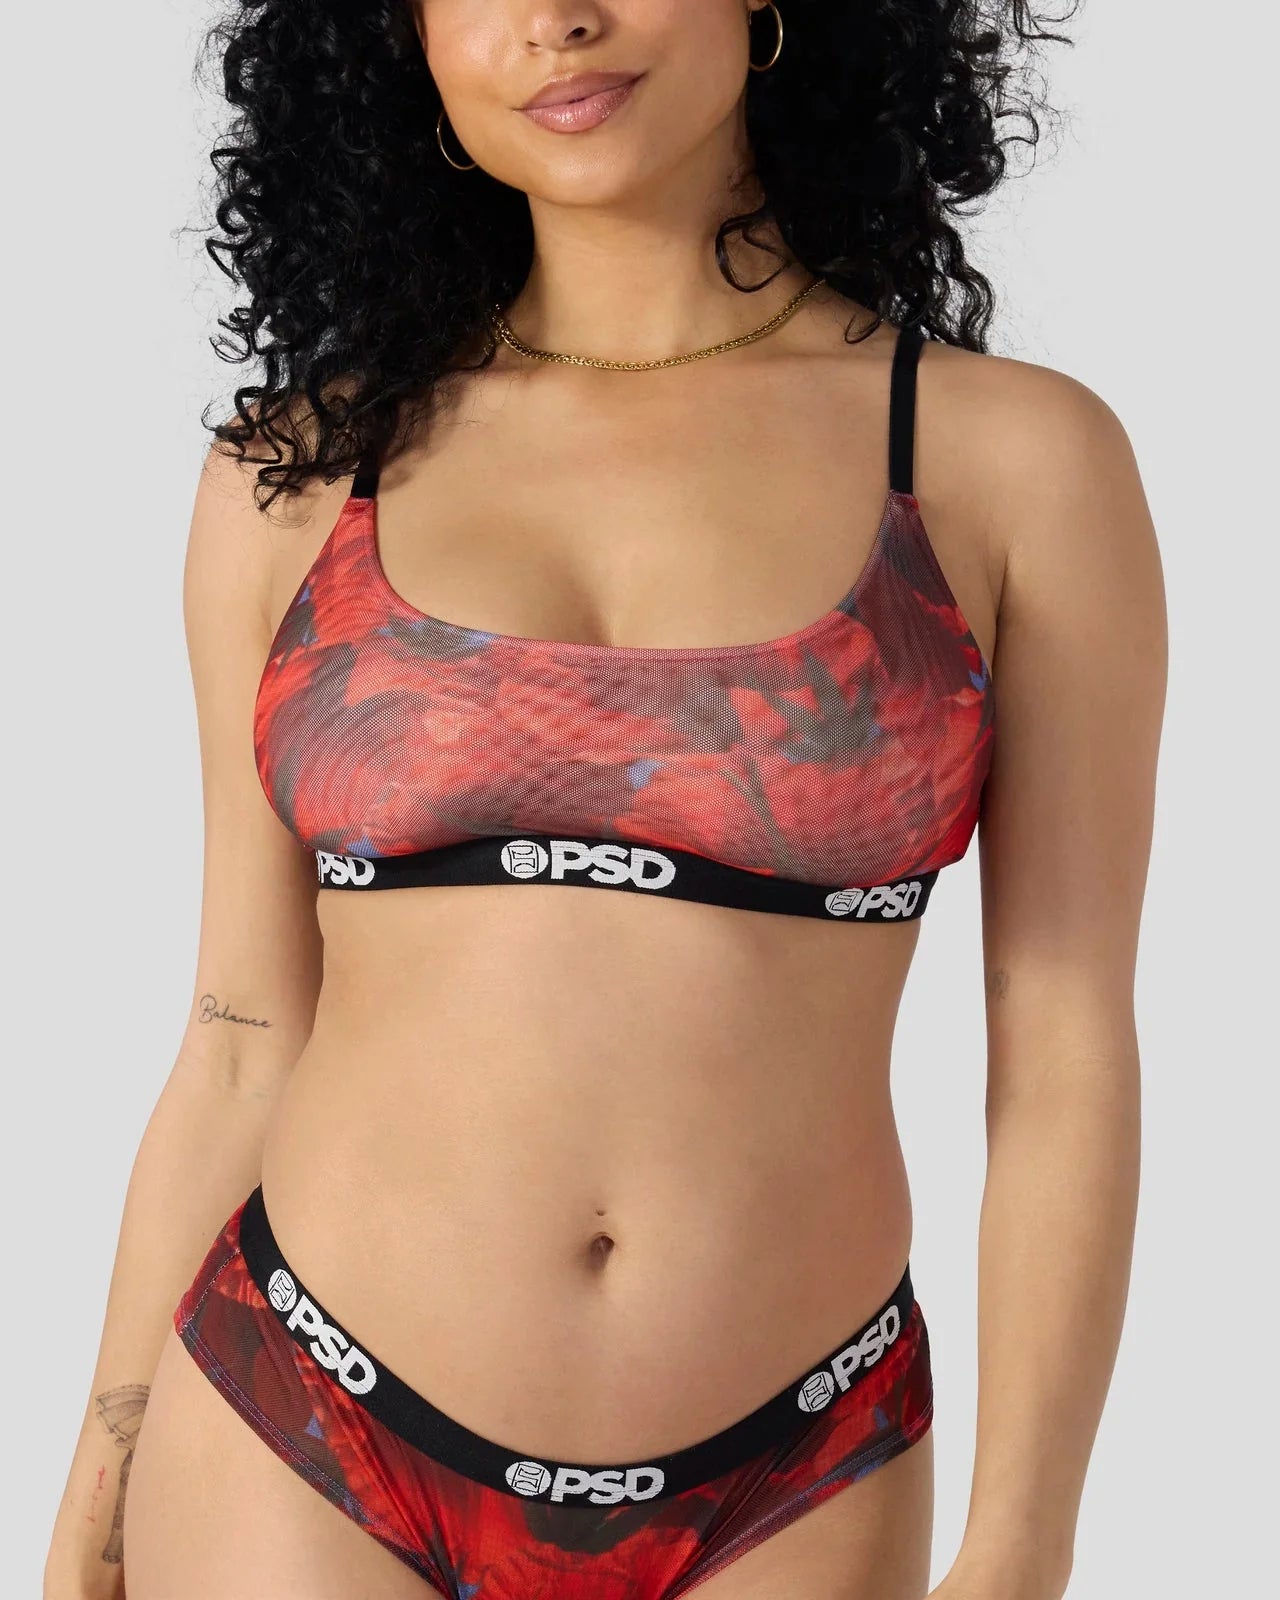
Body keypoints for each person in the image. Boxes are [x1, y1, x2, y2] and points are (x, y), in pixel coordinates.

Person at [44, 3, 1166, 1598]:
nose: (556, 20)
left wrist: (1023, 1544)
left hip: (794, 1462)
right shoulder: (298, 476)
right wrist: (92, 1501)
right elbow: (238, 1032)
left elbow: (1061, 1044)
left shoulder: (1010, 462)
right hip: (304, 1431)